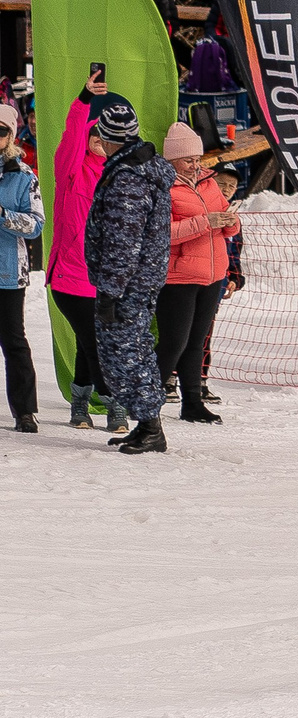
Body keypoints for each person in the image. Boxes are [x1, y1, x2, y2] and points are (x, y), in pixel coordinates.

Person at [86, 98, 176, 453]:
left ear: (109, 138)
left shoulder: (127, 179)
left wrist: (109, 291)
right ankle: (147, 424)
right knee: (136, 349)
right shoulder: (141, 169)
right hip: (140, 280)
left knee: (123, 353)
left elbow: (123, 242)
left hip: (127, 284)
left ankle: (150, 426)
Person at [49, 66, 117, 428]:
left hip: (103, 280)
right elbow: (71, 135)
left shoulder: (116, 178)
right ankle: (113, 403)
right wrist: (84, 99)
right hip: (69, 275)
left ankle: (79, 404)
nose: (99, 140)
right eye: (95, 134)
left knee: (87, 342)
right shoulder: (71, 171)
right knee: (95, 341)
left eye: (106, 136)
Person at [158, 122, 235, 425]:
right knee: (173, 344)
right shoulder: (163, 186)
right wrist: (207, 222)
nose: (195, 165)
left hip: (212, 274)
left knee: (196, 342)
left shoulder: (208, 181)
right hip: (178, 277)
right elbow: (162, 233)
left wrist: (230, 222)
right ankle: (145, 402)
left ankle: (192, 402)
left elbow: (226, 218)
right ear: (172, 160)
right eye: (188, 160)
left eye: (197, 159)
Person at [0, 106, 42, 430]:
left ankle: (25, 410)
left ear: (11, 136)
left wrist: (4, 216)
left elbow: (36, 224)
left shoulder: (25, 176)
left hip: (8, 272)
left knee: (14, 340)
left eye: (1, 131)